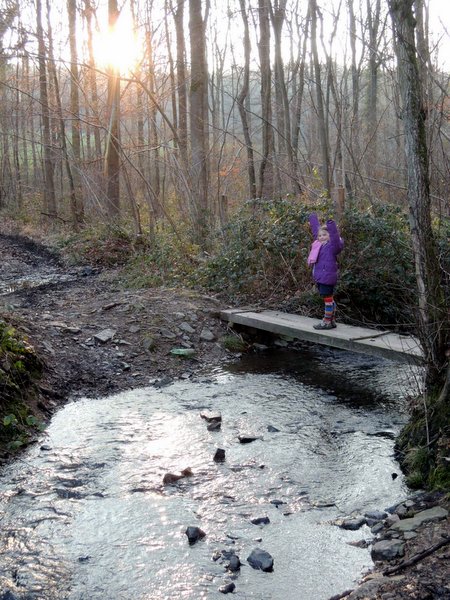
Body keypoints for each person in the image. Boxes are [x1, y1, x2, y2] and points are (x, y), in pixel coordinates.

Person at [308, 213, 344, 330]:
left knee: (327, 299)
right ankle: (332, 321)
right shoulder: (318, 245)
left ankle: (327, 321)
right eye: (320, 235)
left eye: (325, 235)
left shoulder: (332, 246)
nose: (321, 237)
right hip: (321, 276)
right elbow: (315, 231)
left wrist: (331, 226)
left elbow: (335, 239)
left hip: (327, 276)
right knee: (329, 299)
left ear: (329, 236)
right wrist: (312, 218)